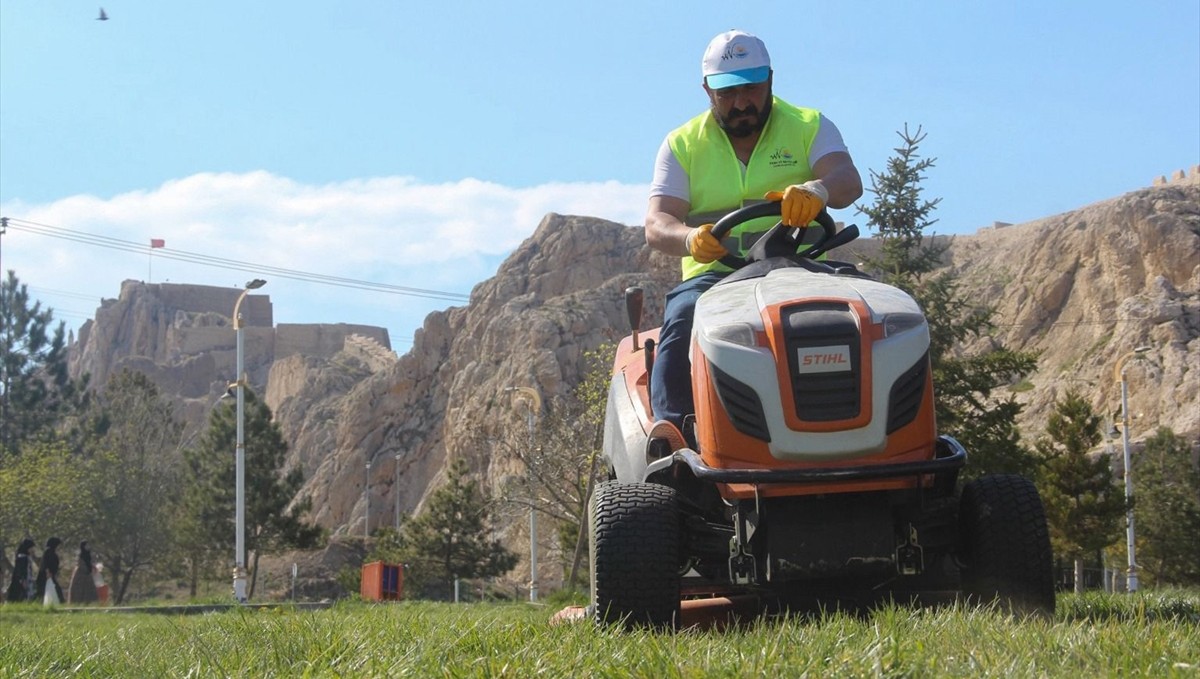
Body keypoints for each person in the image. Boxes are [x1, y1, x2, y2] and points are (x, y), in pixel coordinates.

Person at [644, 29, 864, 438]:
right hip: (714, 279)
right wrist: (690, 238)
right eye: (728, 93)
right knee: (684, 318)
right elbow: (658, 224)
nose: (742, 102)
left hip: (801, 269)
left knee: (869, 312)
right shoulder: (681, 145)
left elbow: (847, 180)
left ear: (770, 81)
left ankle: (864, 430)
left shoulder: (808, 125)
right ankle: (675, 435)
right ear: (707, 90)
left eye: (751, 88)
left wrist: (820, 189)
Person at [68, 540, 100, 604]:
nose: (88, 547)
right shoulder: (81, 555)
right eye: (86, 545)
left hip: (88, 576)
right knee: (79, 593)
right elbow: (81, 565)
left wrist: (93, 567)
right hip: (80, 576)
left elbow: (89, 563)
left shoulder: (88, 555)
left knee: (89, 592)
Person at [5, 538, 36, 603]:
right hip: (22, 580)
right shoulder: (22, 557)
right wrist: (22, 580)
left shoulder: (26, 557)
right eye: (31, 548)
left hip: (27, 578)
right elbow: (20, 570)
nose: (32, 550)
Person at [35, 536, 64, 605]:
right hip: (46, 576)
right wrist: (48, 572)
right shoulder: (48, 552)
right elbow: (46, 563)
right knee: (49, 590)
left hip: (50, 575)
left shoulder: (52, 552)